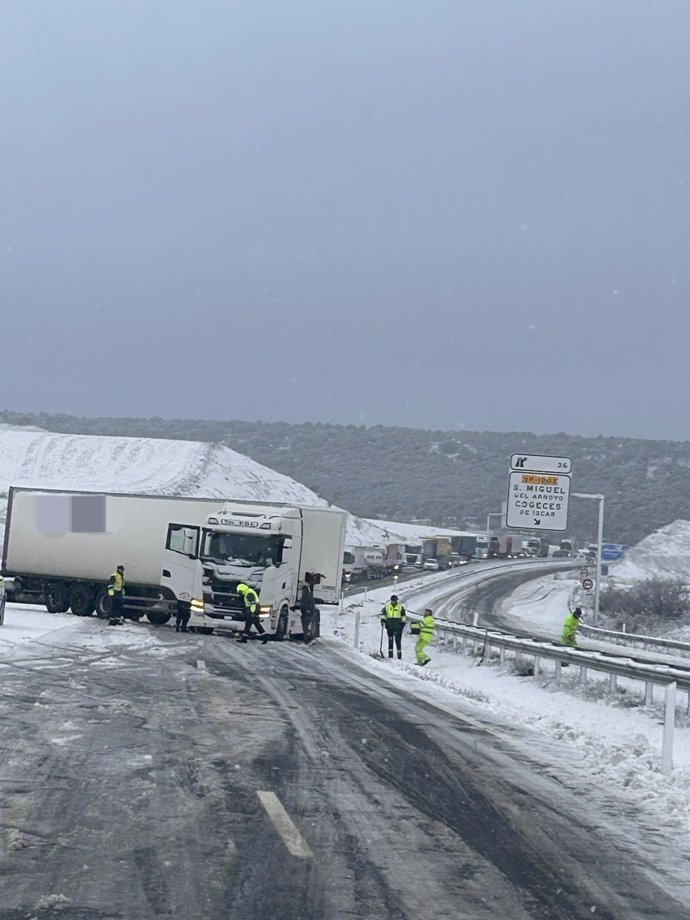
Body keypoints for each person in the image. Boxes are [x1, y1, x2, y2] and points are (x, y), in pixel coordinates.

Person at [380, 594, 406, 659]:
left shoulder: (400, 607)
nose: (394, 602)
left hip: (398, 627)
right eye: (393, 600)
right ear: (391, 600)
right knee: (390, 641)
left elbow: (403, 616)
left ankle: (399, 656)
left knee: (398, 642)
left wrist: (402, 623)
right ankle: (390, 656)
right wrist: (383, 620)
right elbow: (383, 614)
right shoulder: (387, 606)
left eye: (395, 600)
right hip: (389, 626)